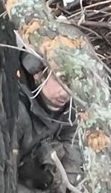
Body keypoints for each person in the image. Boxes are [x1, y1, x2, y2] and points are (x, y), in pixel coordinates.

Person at [16, 51, 83, 193]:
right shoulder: (16, 113)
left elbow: (72, 138)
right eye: (61, 79)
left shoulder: (66, 107)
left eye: (72, 82)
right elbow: (1, 177)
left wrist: (66, 183)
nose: (66, 92)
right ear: (37, 73)